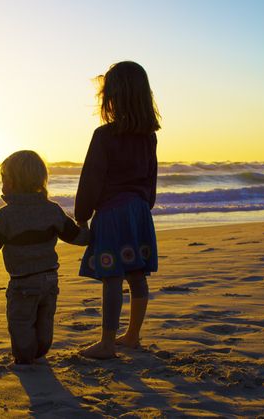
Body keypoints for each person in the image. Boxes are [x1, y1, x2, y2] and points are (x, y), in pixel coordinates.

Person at [0, 150, 89, 365]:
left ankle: (25, 357)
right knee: (45, 317)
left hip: (22, 281)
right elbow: (77, 238)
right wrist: (87, 228)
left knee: (21, 321)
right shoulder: (53, 210)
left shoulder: (5, 215)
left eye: (3, 178)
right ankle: (41, 350)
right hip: (50, 279)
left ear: (11, 182)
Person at [75, 61, 160, 359]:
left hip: (111, 213)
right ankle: (133, 335)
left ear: (112, 97)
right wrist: (143, 207)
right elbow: (151, 177)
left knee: (111, 277)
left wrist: (82, 216)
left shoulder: (104, 136)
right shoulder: (149, 136)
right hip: (139, 212)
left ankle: (108, 343)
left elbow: (91, 180)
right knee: (137, 274)